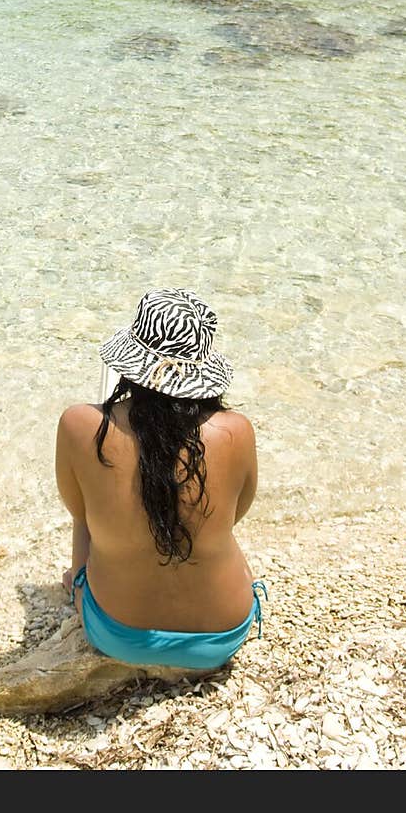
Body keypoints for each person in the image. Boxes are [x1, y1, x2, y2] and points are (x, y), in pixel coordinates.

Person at [55, 286, 266, 673]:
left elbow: (79, 510)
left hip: (118, 634)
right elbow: (236, 514)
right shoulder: (237, 431)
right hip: (222, 635)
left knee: (91, 510)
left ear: (130, 360)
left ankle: (75, 581)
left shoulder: (80, 424)